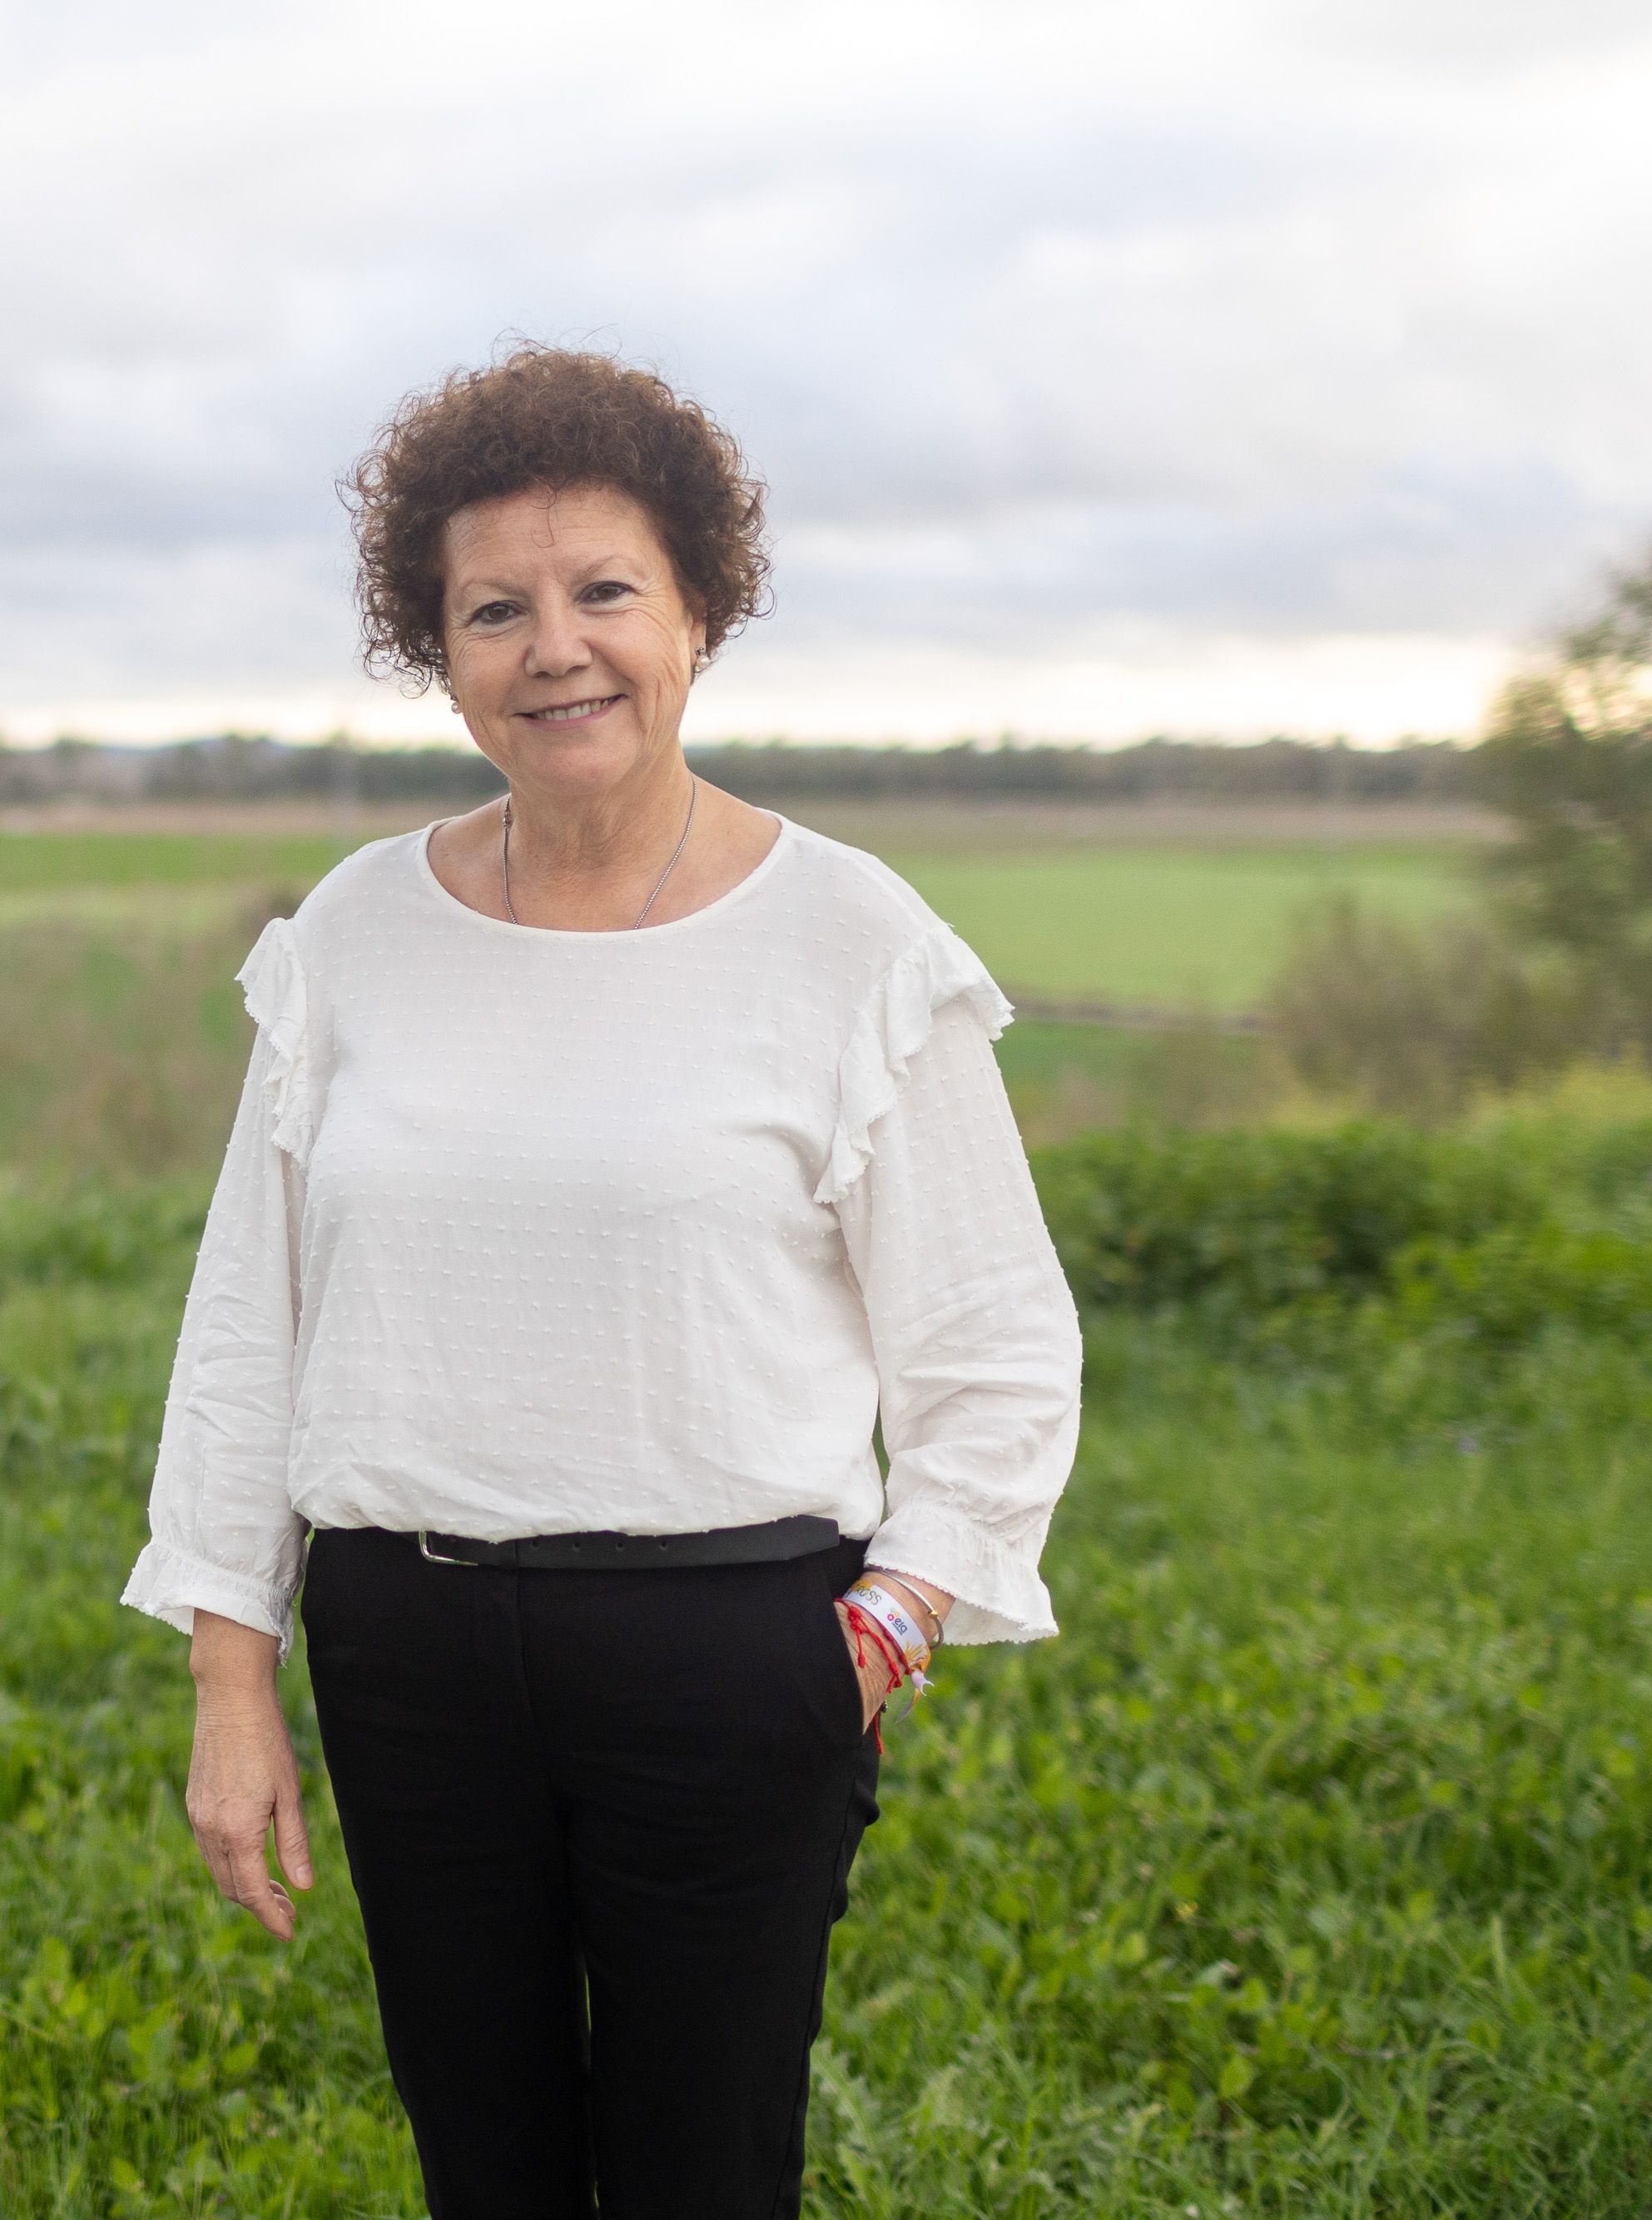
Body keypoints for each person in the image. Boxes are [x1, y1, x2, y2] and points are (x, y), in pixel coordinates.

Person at [118, 345, 1084, 2218]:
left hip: (728, 1647)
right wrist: (232, 1675)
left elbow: (990, 1341)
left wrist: (882, 1624)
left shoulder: (848, 938)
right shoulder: (351, 934)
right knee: (481, 2164)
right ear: (437, 647)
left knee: (696, 2169)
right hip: (409, 1647)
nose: (554, 647)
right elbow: (251, 1325)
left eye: (602, 592)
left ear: (697, 611)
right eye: (494, 609)